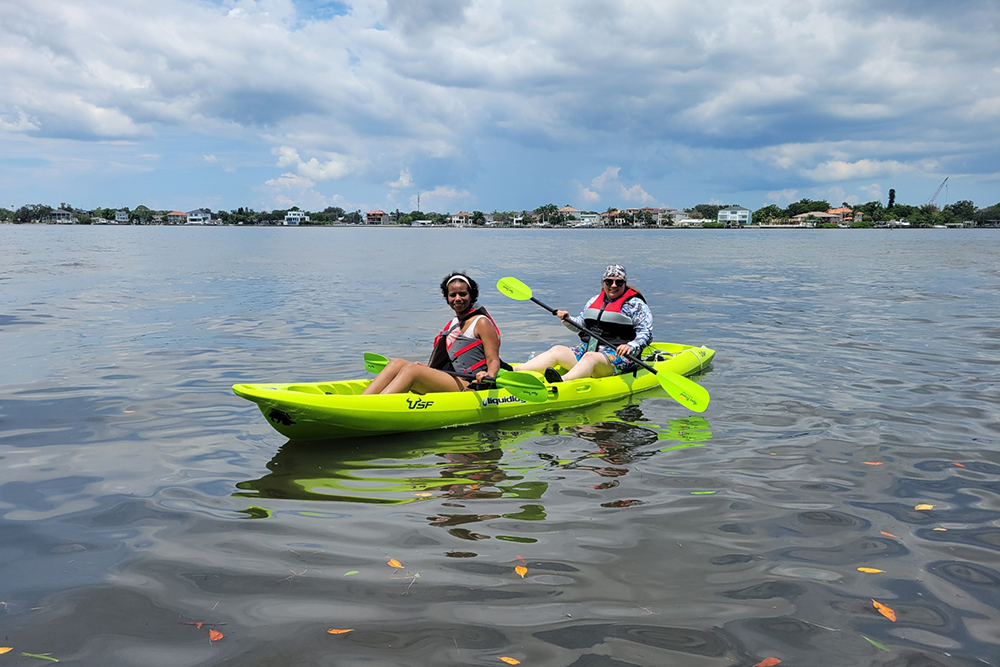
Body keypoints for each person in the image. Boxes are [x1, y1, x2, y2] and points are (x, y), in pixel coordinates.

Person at [363, 272, 503, 395]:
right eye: (452, 295)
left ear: (471, 295)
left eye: (463, 294)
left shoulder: (481, 322)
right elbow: (451, 361)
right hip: (452, 378)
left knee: (411, 370)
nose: (458, 298)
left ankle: (376, 405)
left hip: (471, 384)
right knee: (396, 363)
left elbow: (493, 360)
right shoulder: (454, 323)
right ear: (447, 298)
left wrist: (488, 374)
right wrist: (427, 367)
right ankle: (363, 400)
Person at [516, 264, 652, 382]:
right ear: (603, 283)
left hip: (619, 358)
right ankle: (515, 370)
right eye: (609, 282)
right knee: (557, 350)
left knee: (590, 357)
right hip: (588, 349)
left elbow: (646, 333)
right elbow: (581, 324)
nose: (613, 285)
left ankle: (561, 382)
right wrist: (568, 319)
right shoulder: (593, 300)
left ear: (624, 283)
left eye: (619, 282)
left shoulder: (635, 305)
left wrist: (631, 346)